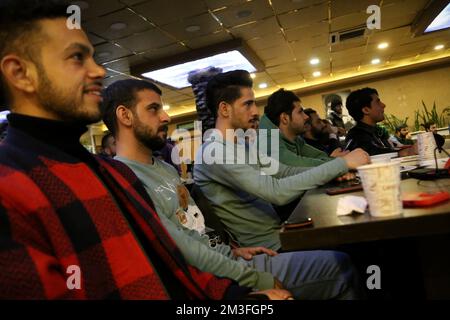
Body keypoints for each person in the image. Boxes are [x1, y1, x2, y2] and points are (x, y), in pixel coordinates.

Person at [0, 0, 278, 300]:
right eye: (77, 57)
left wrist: (242, 300)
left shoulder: (112, 172)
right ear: (21, 73)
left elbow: (173, 263)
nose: (97, 71)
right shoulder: (10, 189)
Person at [101, 79, 361, 300]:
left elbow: (195, 229)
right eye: (154, 109)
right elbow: (181, 249)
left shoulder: (166, 168)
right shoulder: (125, 178)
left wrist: (232, 250)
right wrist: (256, 278)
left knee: (349, 251)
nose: (167, 117)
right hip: (217, 277)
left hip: (233, 258)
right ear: (125, 116)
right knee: (344, 265)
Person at [193, 70, 369, 251]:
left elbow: (284, 171)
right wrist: (342, 164)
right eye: (248, 104)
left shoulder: (242, 146)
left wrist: (334, 171)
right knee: (349, 253)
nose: (255, 111)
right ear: (224, 109)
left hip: (281, 232)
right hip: (268, 248)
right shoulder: (215, 152)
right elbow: (276, 191)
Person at [259, 89, 346, 168]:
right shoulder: (267, 142)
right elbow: (297, 166)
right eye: (300, 112)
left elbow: (319, 156)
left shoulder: (296, 139)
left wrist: (332, 161)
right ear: (285, 118)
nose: (306, 117)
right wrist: (339, 162)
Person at [345, 88, 415, 156]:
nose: (383, 105)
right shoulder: (357, 137)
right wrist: (405, 152)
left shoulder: (376, 131)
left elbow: (392, 146)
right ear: (366, 110)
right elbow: (373, 153)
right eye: (378, 102)